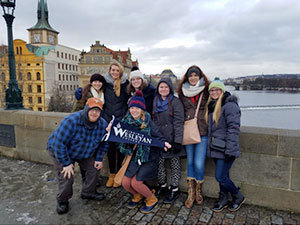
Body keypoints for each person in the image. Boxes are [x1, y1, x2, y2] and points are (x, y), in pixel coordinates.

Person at [47, 97, 109, 214]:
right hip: (61, 151)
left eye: (98, 110)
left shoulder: (102, 124)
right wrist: (66, 163)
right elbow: (59, 144)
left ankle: (88, 192)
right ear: (86, 109)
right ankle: (63, 200)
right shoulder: (71, 121)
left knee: (94, 169)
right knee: (67, 176)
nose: (94, 113)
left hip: (84, 151)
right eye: (92, 109)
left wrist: (99, 158)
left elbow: (104, 143)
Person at [119, 90, 171, 213]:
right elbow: (118, 134)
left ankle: (152, 199)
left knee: (136, 182)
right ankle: (138, 195)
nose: (134, 111)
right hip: (134, 156)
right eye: (132, 108)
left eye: (137, 108)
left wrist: (163, 144)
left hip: (148, 157)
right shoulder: (126, 121)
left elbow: (159, 138)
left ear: (142, 110)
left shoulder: (148, 122)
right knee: (125, 182)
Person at [205, 78, 245, 212]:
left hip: (225, 149)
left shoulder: (230, 105)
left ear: (222, 91)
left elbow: (233, 129)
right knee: (224, 176)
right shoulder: (212, 105)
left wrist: (230, 151)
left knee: (220, 176)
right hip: (217, 147)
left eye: (217, 90)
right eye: (212, 90)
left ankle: (238, 196)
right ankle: (223, 199)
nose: (214, 92)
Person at [177, 65, 210, 208]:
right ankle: (191, 194)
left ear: (200, 77)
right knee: (190, 162)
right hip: (189, 131)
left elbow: (219, 100)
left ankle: (198, 191)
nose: (193, 78)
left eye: (195, 75)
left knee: (198, 163)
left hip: (203, 131)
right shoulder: (182, 93)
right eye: (191, 76)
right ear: (187, 77)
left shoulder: (207, 91)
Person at [152, 77, 185, 203]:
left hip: (172, 138)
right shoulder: (156, 101)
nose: (164, 89)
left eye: (166, 87)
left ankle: (175, 188)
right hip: (160, 138)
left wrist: (177, 141)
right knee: (160, 163)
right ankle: (162, 185)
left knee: (174, 163)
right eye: (161, 87)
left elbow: (178, 122)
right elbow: (154, 121)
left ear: (170, 88)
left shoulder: (175, 102)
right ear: (158, 89)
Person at [102, 62, 130, 188]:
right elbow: (93, 88)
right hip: (108, 120)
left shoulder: (125, 84)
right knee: (110, 149)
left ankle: (119, 174)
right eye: (113, 70)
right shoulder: (105, 83)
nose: (114, 72)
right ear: (109, 70)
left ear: (120, 72)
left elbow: (132, 98)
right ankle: (112, 174)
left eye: (117, 70)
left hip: (121, 121)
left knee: (120, 149)